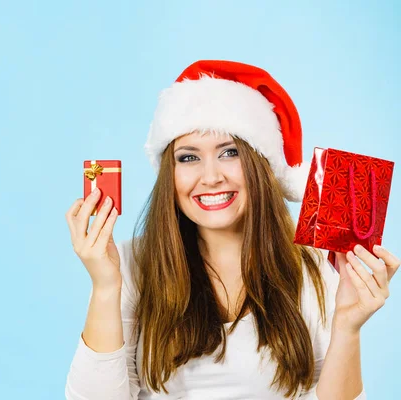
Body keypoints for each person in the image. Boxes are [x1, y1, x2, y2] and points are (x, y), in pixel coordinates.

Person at [64, 60, 399, 399]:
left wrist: (347, 325)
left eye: (229, 152)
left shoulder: (318, 269)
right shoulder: (128, 263)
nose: (210, 177)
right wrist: (106, 287)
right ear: (170, 174)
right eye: (188, 158)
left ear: (261, 165)